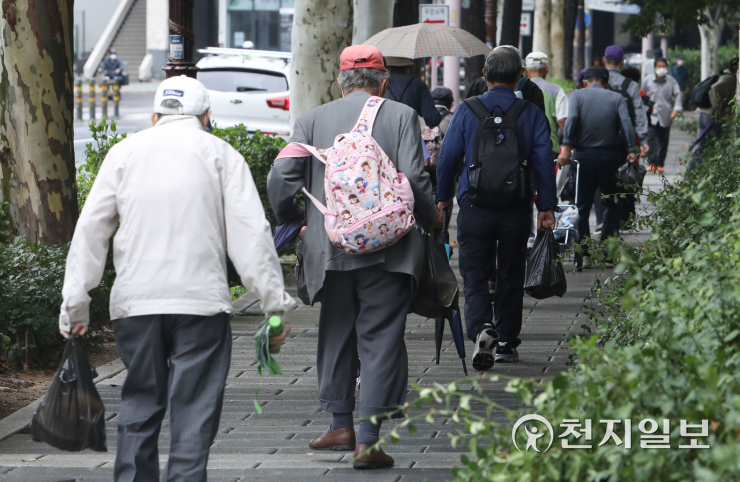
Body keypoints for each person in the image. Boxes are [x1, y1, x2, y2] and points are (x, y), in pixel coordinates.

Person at [58, 75, 295, 482]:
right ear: (206, 116)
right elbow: (251, 237)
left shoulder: (123, 153)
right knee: (194, 413)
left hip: (136, 304)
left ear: (154, 115)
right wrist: (274, 306)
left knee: (139, 402)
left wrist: (75, 305)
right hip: (201, 304)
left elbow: (90, 232)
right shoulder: (221, 154)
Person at [267, 45, 437, 470]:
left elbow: (281, 178)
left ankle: (340, 423)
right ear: (384, 82)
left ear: (339, 82)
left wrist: (294, 220)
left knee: (337, 329)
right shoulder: (400, 115)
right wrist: (433, 221)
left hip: (330, 246)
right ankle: (368, 440)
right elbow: (414, 179)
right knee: (379, 337)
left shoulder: (311, 120)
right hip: (389, 249)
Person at [436, 46, 556, 369]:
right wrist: (546, 206)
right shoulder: (529, 112)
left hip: (474, 207)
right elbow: (545, 160)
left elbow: (447, 157)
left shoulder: (466, 110)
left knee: (474, 272)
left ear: (485, 76)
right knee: (511, 271)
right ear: (520, 76)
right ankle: (505, 342)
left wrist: (443, 196)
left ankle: (481, 329)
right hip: (516, 207)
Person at [559, 66, 637, 268]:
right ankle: (609, 251)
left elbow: (572, 119)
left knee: (582, 206)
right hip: (610, 158)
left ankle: (583, 255)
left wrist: (567, 146)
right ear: (606, 82)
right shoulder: (617, 98)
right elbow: (626, 124)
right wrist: (630, 149)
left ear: (585, 81)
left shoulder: (576, 95)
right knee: (613, 203)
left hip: (583, 157)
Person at [689, 58, 739, 170]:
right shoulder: (729, 78)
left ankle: (696, 171)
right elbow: (714, 89)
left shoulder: (725, 75)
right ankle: (691, 172)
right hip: (710, 115)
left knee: (702, 145)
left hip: (704, 113)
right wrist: (718, 109)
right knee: (706, 145)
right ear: (736, 68)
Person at [642, 57, 683, 172]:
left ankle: (660, 163)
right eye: (659, 66)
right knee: (651, 139)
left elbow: (677, 96)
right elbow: (642, 96)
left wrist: (676, 109)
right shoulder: (647, 80)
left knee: (664, 140)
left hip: (666, 114)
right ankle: (652, 162)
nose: (661, 68)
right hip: (651, 115)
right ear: (655, 67)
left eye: (663, 66)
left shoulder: (672, 81)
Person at [525, 51, 568, 159]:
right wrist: (568, 146)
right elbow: (563, 120)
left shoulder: (519, 89)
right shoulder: (557, 90)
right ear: (547, 69)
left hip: (524, 146)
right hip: (550, 147)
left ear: (526, 69)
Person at [385, 56, 442, 128]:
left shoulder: (379, 84)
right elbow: (432, 119)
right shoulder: (418, 85)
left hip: (383, 134)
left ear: (386, 66)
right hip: (410, 133)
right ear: (407, 66)